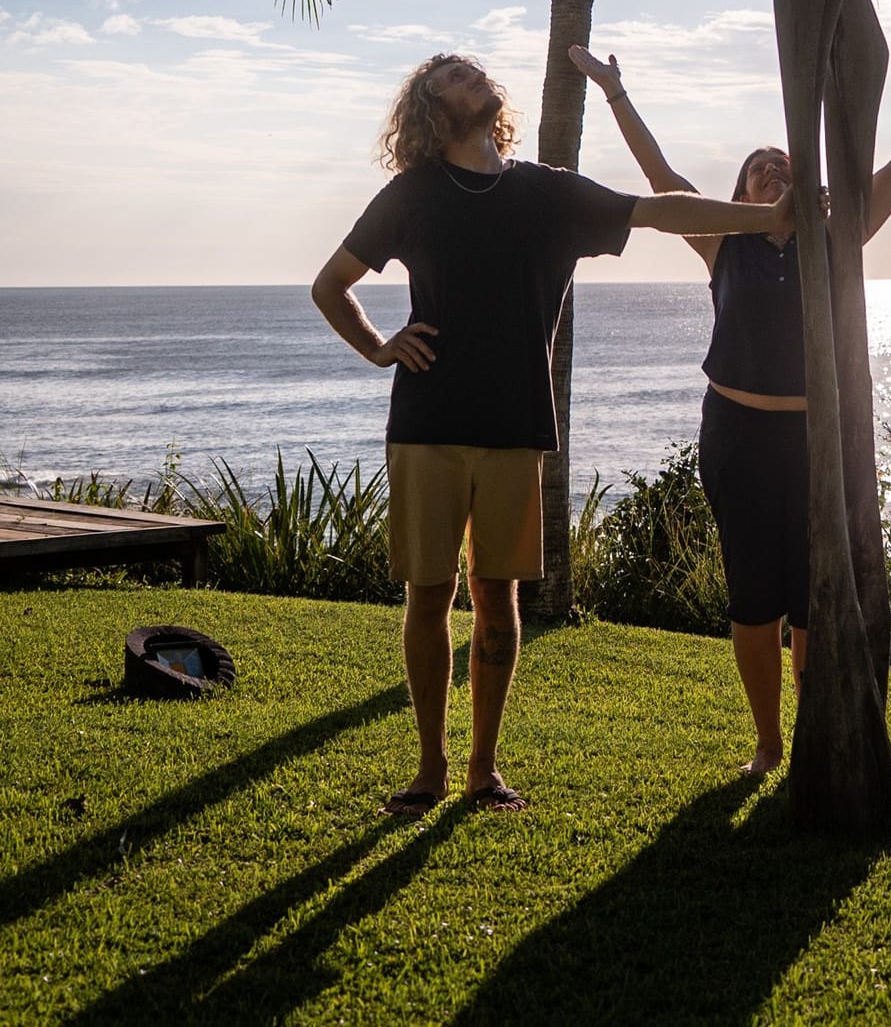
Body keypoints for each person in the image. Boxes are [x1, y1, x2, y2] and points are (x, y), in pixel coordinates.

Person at [311, 52, 795, 817]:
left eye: (475, 72)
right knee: (428, 596)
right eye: (454, 79)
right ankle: (429, 768)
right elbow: (330, 286)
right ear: (433, 111)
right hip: (427, 424)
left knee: (498, 601)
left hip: (515, 425)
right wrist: (378, 345)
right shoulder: (410, 196)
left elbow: (659, 208)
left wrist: (766, 220)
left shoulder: (544, 191)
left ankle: (481, 771)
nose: (475, 80)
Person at [569, 42, 891, 774]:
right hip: (736, 435)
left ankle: (811, 737)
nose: (776, 168)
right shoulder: (722, 242)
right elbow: (661, 176)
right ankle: (767, 743)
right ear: (740, 191)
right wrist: (615, 92)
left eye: (788, 163)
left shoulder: (838, 240)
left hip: (816, 440)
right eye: (761, 165)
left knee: (814, 598)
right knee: (751, 598)